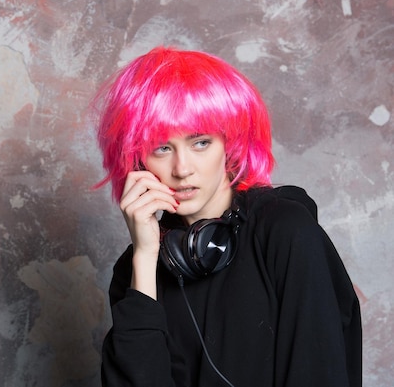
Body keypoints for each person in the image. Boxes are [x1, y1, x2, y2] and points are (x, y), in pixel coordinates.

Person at [92, 46, 361, 387]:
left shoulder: (285, 231)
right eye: (161, 148)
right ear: (137, 160)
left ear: (229, 143)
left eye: (200, 142)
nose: (182, 168)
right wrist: (145, 259)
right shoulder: (136, 271)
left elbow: (320, 372)